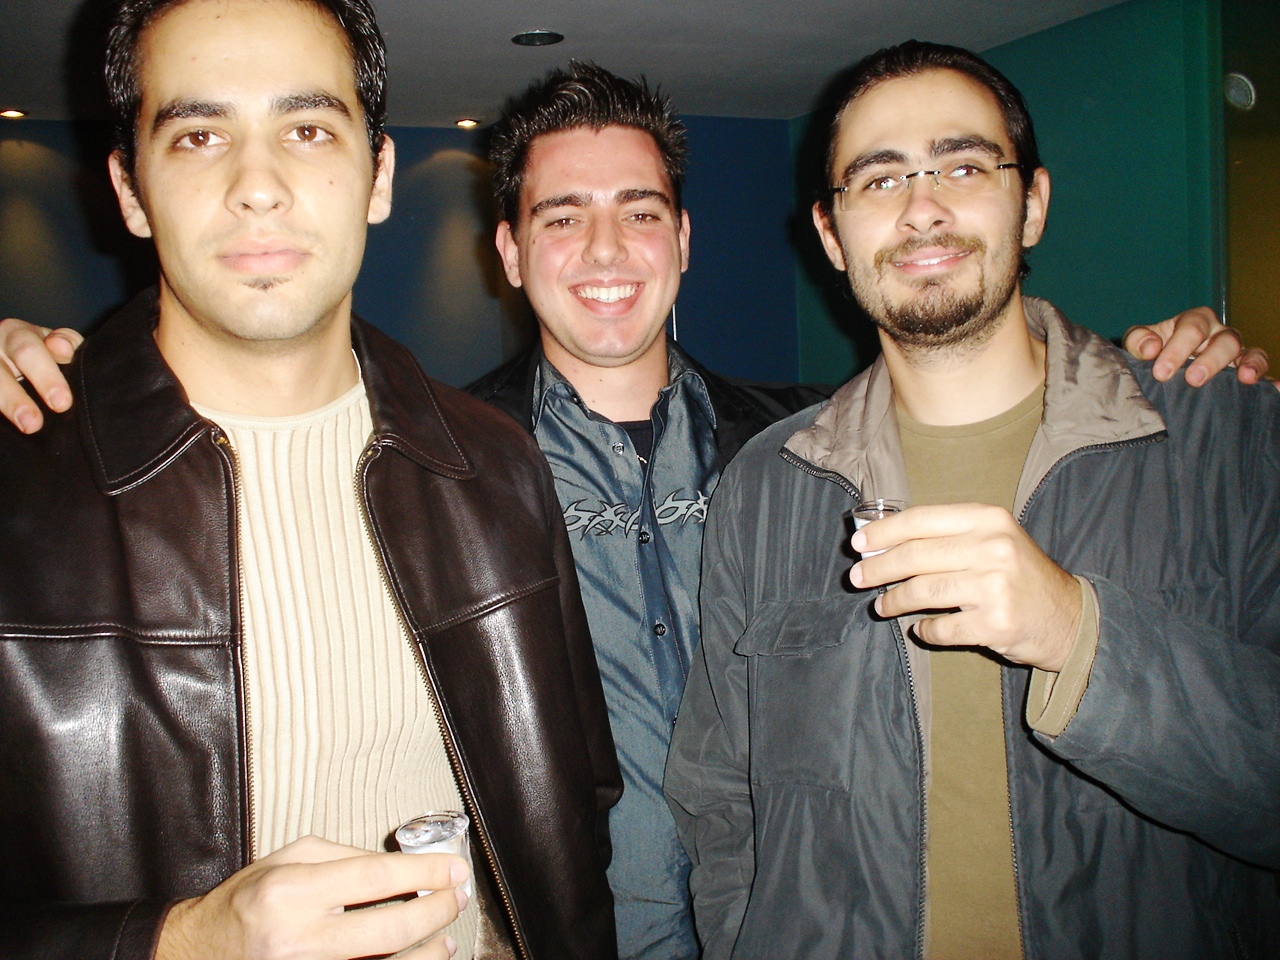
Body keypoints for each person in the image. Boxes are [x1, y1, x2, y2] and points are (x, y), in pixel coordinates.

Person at [0, 56, 1264, 960]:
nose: (604, 253)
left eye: (639, 212)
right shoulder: (439, 473)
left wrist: (1180, 367)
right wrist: (60, 377)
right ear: (508, 253)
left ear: (686, 239)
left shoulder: (794, 451)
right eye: (561, 217)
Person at [0, 2, 620, 959]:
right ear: (130, 190)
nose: (259, 186)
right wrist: (182, 944)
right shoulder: (19, 486)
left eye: (307, 130)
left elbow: (571, 809)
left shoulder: (498, 468)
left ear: (378, 176)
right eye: (199, 135)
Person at [665, 40, 1280, 960]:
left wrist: (1079, 634)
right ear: (831, 235)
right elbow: (721, 792)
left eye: (962, 166)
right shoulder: (768, 483)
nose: (923, 207)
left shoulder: (1224, 440)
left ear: (1032, 203)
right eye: (880, 180)